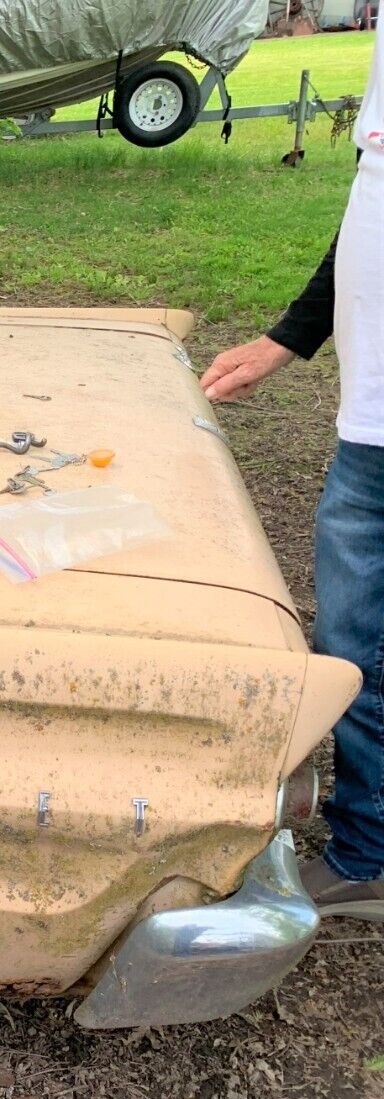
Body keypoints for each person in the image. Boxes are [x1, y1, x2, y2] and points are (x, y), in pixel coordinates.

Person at [200, 32, 384, 920]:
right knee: (354, 636)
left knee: (360, 644)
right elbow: (371, 205)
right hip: (370, 414)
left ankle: (367, 853)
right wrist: (289, 336)